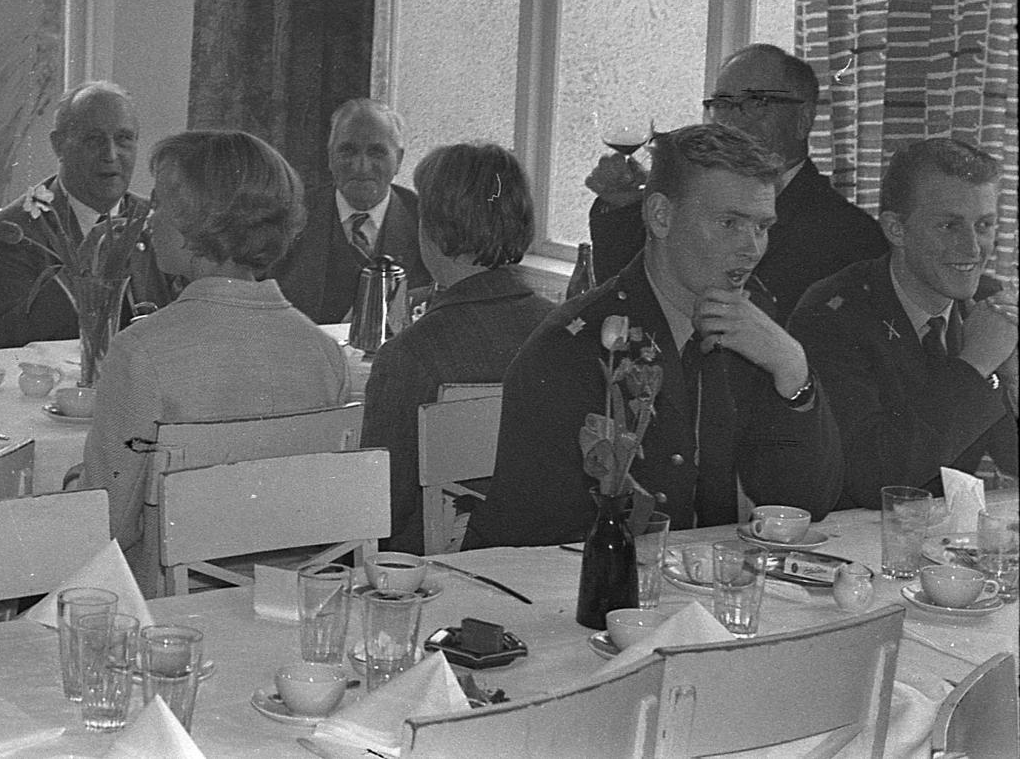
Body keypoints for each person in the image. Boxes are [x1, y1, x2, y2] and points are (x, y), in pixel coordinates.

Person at [466, 123, 842, 548]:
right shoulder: (575, 348)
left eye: (761, 226)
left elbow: (805, 502)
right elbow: (544, 542)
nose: (751, 249)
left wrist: (791, 367)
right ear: (661, 216)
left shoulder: (752, 328)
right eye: (729, 223)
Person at [80, 130, 350, 593]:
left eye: (160, 204)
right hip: (291, 600)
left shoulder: (141, 351)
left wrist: (73, 482)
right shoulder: (324, 353)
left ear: (197, 223)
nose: (149, 221)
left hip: (171, 608)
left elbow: (106, 523)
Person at [788, 138, 1017, 508]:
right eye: (949, 226)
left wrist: (1015, 381)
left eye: (984, 225)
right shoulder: (832, 315)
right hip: (852, 535)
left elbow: (1013, 456)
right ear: (896, 229)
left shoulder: (986, 304)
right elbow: (874, 478)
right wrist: (974, 364)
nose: (974, 248)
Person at [585, 44, 885, 320]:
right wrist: (625, 205)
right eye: (722, 103)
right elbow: (624, 307)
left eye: (756, 102)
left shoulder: (850, 237)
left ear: (803, 119)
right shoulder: (688, 201)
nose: (732, 121)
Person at [360, 142, 555, 554]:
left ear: (432, 230)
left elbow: (380, 507)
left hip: (431, 567)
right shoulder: (561, 331)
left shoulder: (410, 356)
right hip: (540, 557)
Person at [0, 81, 172, 349]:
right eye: (93, 140)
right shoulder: (14, 232)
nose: (110, 155)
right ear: (59, 145)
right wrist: (80, 274)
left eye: (123, 139)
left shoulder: (159, 221)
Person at [271, 98, 431, 325]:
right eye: (348, 151)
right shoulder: (288, 217)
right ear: (330, 157)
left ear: (399, 159)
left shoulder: (426, 221)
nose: (361, 166)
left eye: (376, 152)